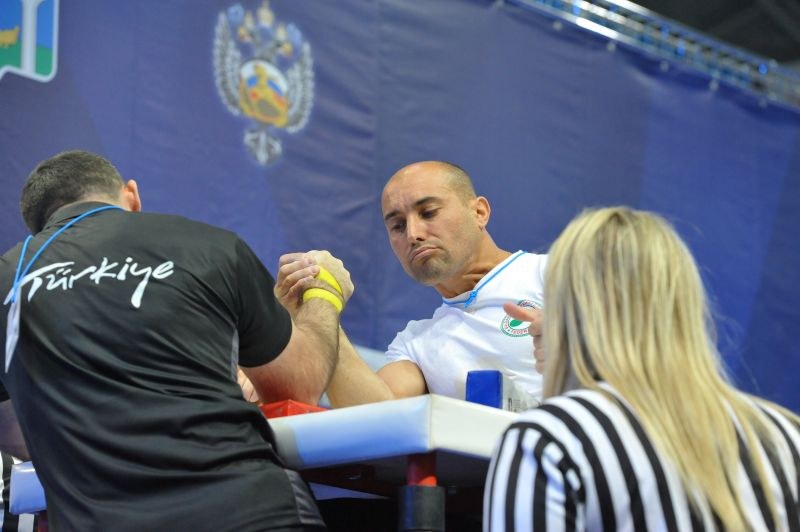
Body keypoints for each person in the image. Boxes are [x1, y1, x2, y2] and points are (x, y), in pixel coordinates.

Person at [0, 150, 353, 531]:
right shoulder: (212, 246)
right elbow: (298, 385)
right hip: (249, 512)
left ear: (38, 227)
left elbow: (17, 434)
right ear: (131, 196)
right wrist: (324, 294)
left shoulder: (9, 279)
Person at [484, 207, 800, 531]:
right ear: (685, 299)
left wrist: (569, 366)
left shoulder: (548, 439)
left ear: (568, 306)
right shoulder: (788, 437)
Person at [276, 161, 547, 407]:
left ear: (479, 212)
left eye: (428, 213)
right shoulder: (415, 344)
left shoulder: (553, 274)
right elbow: (372, 415)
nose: (413, 234)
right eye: (397, 226)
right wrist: (323, 308)